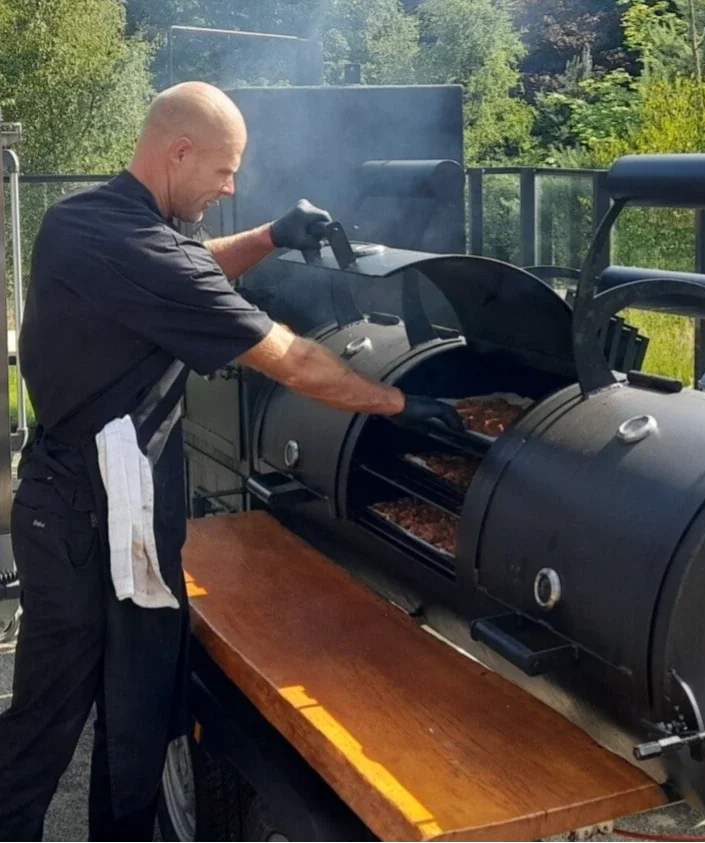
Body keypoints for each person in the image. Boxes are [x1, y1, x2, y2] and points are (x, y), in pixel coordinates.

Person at [0, 81, 462, 843]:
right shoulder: (134, 245)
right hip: (87, 517)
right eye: (223, 171)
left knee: (139, 706)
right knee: (51, 715)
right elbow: (294, 362)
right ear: (178, 153)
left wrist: (272, 235)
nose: (231, 187)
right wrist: (403, 406)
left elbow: (189, 266)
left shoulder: (91, 219)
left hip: (108, 506)